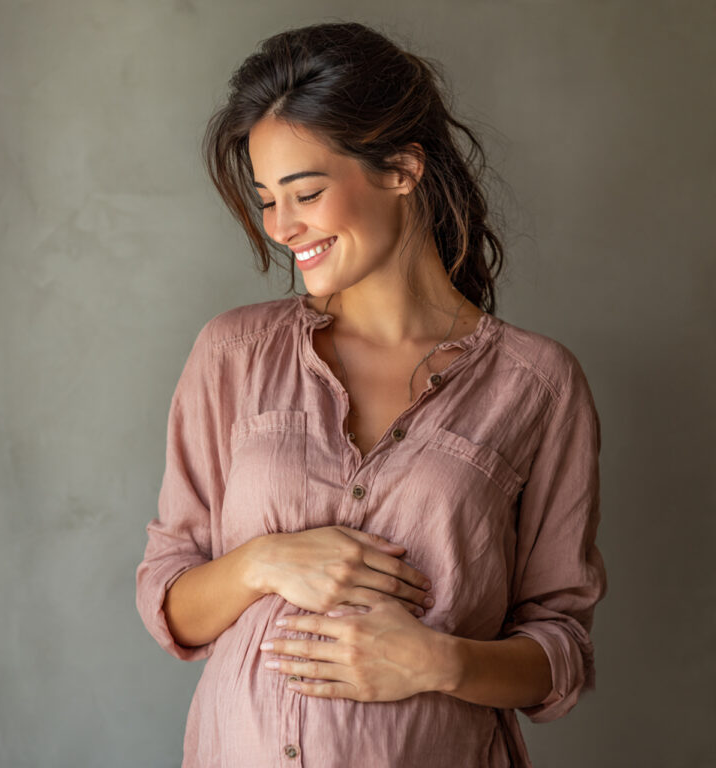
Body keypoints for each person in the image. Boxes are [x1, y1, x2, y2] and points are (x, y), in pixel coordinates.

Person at [135, 20, 607, 768]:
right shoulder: (233, 353)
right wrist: (265, 561)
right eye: (267, 200)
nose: (282, 228)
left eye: (306, 192)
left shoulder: (536, 386)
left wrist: (438, 662)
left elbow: (561, 648)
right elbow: (172, 603)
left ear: (400, 170)